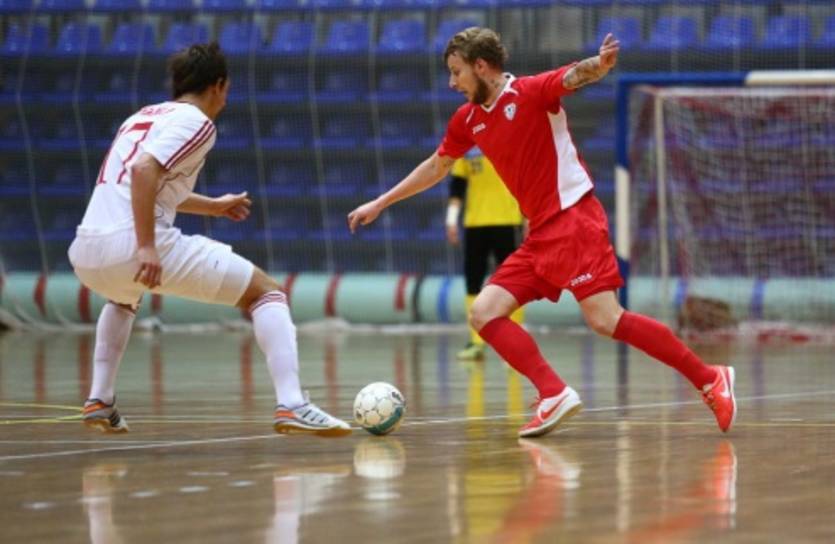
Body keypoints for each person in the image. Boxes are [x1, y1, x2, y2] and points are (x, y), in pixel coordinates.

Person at [348, 28, 736, 438]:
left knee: (605, 319)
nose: (452, 82)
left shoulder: (531, 92)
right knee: (484, 312)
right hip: (539, 235)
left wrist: (598, 65)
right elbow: (436, 166)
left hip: (573, 221)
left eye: (457, 72)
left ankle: (710, 378)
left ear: (481, 66)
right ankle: (553, 393)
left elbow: (572, 76)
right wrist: (381, 202)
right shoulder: (468, 120)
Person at [69, 42, 350, 436]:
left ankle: (100, 398)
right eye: (227, 89)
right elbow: (144, 172)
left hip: (87, 251)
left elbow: (145, 184)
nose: (226, 98)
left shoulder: (142, 116)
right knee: (266, 293)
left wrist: (213, 206)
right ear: (218, 85)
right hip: (133, 244)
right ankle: (292, 403)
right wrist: (146, 247)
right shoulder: (198, 122)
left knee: (123, 296)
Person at [446, 148, 525, 361]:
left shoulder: (510, 142)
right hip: (475, 224)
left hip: (508, 222)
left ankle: (515, 344)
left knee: (514, 283)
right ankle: (476, 341)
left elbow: (526, 183)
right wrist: (451, 220)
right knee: (473, 282)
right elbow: (457, 186)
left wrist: (529, 219)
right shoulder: (465, 148)